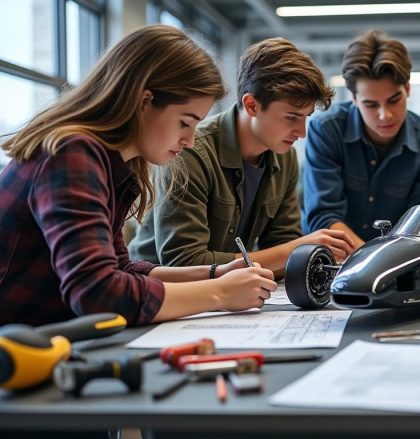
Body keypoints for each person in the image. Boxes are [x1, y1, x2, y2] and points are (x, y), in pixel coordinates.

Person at [0, 25, 276, 327]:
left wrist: (212, 274)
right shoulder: (72, 153)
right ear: (144, 102)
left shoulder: (115, 163)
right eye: (185, 123)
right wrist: (220, 293)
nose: (190, 140)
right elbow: (99, 293)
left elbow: (120, 268)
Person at [128, 38, 355, 275]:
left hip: (230, 291)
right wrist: (296, 250)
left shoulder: (283, 157)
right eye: (291, 117)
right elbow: (184, 262)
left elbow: (281, 242)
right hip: (161, 291)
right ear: (252, 105)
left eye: (306, 117)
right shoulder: (190, 152)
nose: (302, 133)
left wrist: (306, 256)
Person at [301, 30, 420, 247]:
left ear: (407, 89)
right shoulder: (325, 130)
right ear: (354, 98)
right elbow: (323, 217)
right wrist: (368, 260)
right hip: (333, 259)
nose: (385, 115)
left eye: (393, 100)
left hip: (399, 263)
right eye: (371, 104)